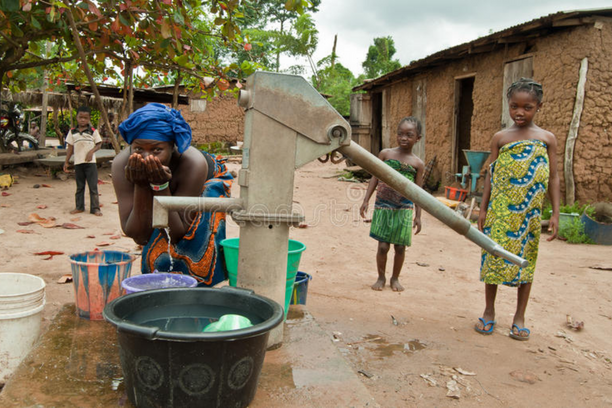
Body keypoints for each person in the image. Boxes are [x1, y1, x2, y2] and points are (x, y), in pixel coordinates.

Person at [475, 78, 560, 340]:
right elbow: (491, 173)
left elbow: (554, 177)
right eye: (514, 106)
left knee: (527, 262)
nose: (520, 112)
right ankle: (489, 312)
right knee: (493, 257)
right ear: (508, 106)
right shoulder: (501, 138)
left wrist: (555, 213)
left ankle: (519, 317)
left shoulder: (547, 139)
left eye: (527, 107)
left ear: (539, 107)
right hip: (501, 212)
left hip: (530, 215)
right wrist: (483, 207)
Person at [113, 103, 233, 287]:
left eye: (156, 150)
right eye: (138, 149)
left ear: (172, 147)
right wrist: (142, 185)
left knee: (192, 249)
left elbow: (178, 234)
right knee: (154, 244)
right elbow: (138, 235)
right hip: (164, 193)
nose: (147, 158)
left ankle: (201, 289)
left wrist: (160, 186)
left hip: (204, 184)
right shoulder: (122, 163)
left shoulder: (192, 164)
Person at [360, 117, 424, 292]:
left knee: (400, 247)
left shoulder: (417, 164)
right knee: (382, 246)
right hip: (383, 206)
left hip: (404, 208)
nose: (404, 138)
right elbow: (375, 177)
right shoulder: (386, 154)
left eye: (409, 135)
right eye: (400, 134)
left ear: (418, 138)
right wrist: (366, 200)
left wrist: (418, 216)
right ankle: (381, 277)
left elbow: (419, 192)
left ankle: (395, 278)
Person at [63, 106, 102, 216]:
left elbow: (99, 144)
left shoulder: (93, 131)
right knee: (80, 186)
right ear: (77, 117)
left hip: (90, 164)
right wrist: (66, 161)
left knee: (93, 186)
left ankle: (95, 208)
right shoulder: (72, 132)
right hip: (78, 162)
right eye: (81, 117)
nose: (83, 120)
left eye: (85, 118)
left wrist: (91, 152)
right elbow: (70, 147)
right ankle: (79, 207)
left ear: (89, 118)